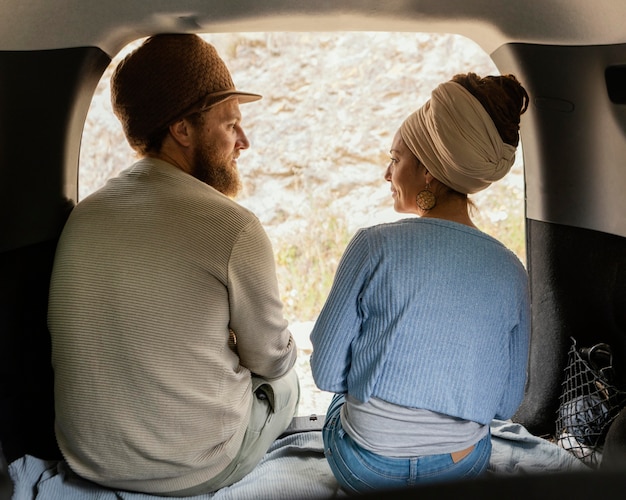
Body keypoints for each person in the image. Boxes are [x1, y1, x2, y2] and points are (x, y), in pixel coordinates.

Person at [48, 34, 299, 496]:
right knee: (288, 382)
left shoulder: (84, 215)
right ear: (183, 129)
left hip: (86, 458)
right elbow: (270, 358)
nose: (244, 141)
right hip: (192, 469)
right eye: (231, 125)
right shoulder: (233, 228)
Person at [310, 73, 531, 492]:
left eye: (395, 159)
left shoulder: (373, 245)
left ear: (427, 171)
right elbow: (504, 405)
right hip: (459, 470)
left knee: (345, 397)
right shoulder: (510, 269)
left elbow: (324, 373)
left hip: (365, 469)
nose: (386, 173)